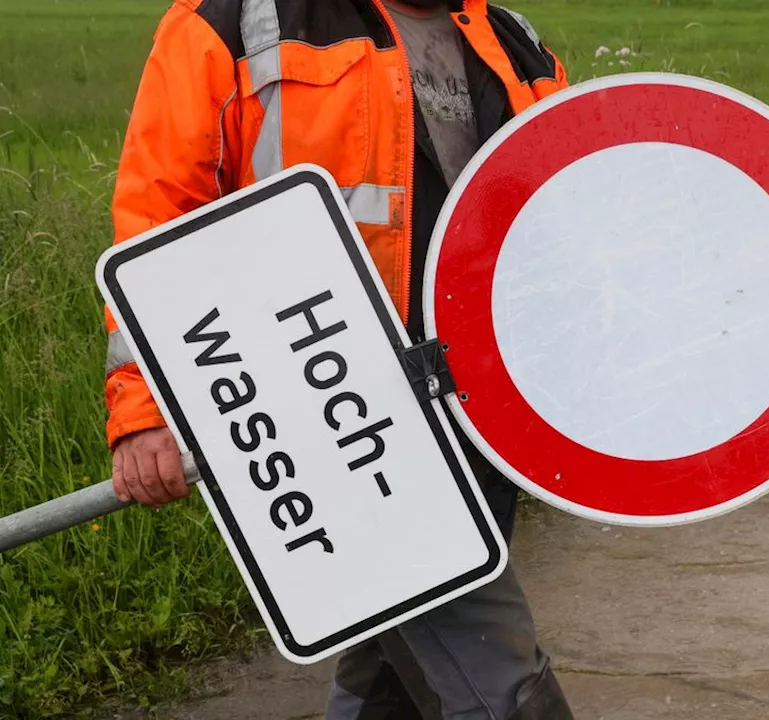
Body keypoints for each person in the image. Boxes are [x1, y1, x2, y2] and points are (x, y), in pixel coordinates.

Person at [102, 0, 574, 717]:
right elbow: (155, 219)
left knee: (390, 676)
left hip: (481, 418)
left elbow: (562, 218)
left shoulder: (511, 41)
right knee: (501, 684)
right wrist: (144, 405)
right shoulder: (239, 20)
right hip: (338, 423)